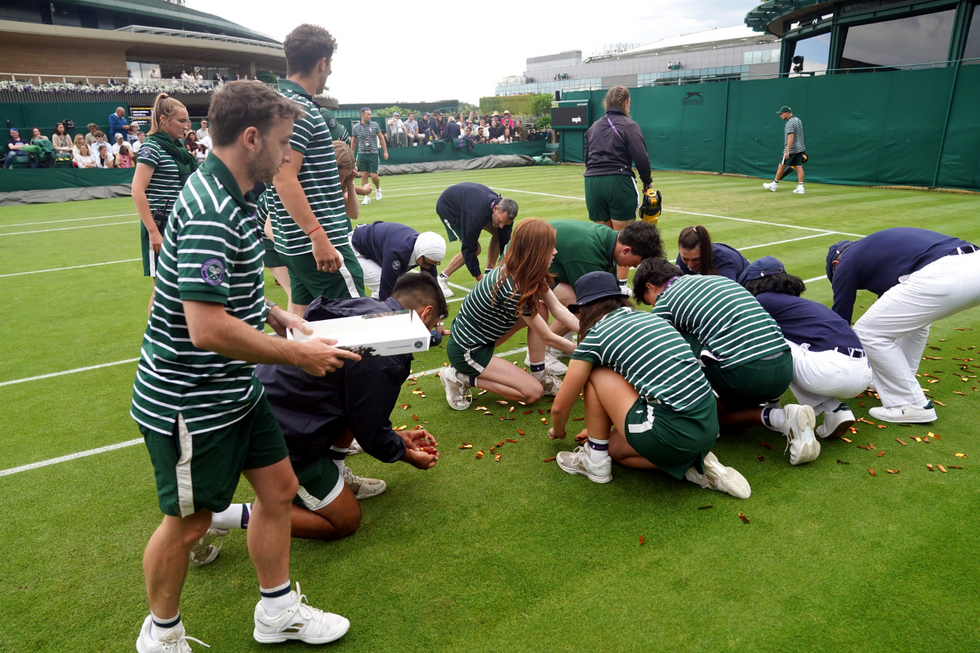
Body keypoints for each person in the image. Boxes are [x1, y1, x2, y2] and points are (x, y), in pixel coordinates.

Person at [131, 80, 358, 652]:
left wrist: (278, 314)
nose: (288, 158)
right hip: (189, 397)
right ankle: (161, 635)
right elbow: (206, 327)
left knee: (279, 489)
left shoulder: (241, 193)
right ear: (251, 138)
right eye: (283, 144)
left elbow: (231, 290)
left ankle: (277, 612)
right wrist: (296, 353)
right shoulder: (210, 206)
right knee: (188, 525)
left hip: (234, 388)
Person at [198, 273, 445, 548]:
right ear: (426, 313)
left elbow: (358, 407)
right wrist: (404, 454)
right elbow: (369, 427)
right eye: (434, 325)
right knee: (345, 521)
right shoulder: (389, 348)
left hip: (265, 398)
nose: (433, 333)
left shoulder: (365, 307)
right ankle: (217, 516)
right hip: (277, 432)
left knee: (348, 398)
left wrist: (398, 438)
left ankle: (335, 472)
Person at [547, 271, 751, 497]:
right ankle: (692, 464)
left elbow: (559, 407)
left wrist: (558, 430)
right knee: (614, 448)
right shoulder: (652, 317)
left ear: (584, 309)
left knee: (595, 373)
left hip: (669, 431)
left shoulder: (597, 336)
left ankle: (595, 463)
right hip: (708, 427)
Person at [633, 258, 820, 465]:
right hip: (784, 367)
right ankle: (774, 403)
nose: (653, 305)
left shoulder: (666, 301)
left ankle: (781, 419)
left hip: (746, 375)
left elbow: (656, 348)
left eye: (649, 299)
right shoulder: (719, 281)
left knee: (708, 416)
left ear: (651, 286)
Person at [826, 228, 980, 423]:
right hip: (973, 262)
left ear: (835, 264)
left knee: (867, 333)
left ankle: (911, 404)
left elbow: (841, 320)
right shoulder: (878, 252)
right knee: (915, 324)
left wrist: (835, 362)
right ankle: (900, 380)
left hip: (946, 272)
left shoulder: (846, 263)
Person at [441, 219, 580, 408]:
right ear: (536, 251)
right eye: (550, 248)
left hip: (483, 337)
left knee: (541, 307)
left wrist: (590, 330)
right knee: (532, 393)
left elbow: (558, 309)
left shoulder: (527, 271)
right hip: (468, 350)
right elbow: (547, 337)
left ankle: (540, 374)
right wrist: (585, 351)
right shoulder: (513, 288)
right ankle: (459, 376)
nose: (555, 252)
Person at [739, 256, 871, 439]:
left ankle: (773, 407)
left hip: (830, 369)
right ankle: (835, 409)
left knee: (768, 342)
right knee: (796, 350)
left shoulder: (763, 300)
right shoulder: (799, 304)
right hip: (863, 371)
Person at [584, 86, 653, 294]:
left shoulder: (593, 127)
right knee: (624, 237)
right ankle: (621, 287)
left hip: (592, 182)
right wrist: (647, 182)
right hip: (619, 180)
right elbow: (641, 157)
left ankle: (603, 285)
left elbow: (586, 158)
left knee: (601, 237)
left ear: (607, 103)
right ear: (626, 102)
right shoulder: (629, 125)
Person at [132, 93, 197, 299]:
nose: (186, 126)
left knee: (184, 287)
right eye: (181, 120)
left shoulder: (177, 148)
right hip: (160, 223)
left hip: (181, 223)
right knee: (163, 290)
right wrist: (153, 231)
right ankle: (157, 331)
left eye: (187, 120)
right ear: (163, 120)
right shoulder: (151, 147)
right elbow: (137, 190)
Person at [434, 182, 518, 297]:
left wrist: (508, 269)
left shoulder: (505, 215)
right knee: (475, 250)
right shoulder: (476, 215)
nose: (502, 225)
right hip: (450, 208)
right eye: (500, 221)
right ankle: (441, 279)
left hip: (469, 203)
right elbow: (468, 248)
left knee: (499, 233)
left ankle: (489, 273)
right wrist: (481, 281)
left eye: (505, 223)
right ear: (495, 209)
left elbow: (505, 244)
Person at [350, 221, 447, 300]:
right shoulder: (397, 253)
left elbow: (432, 286)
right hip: (355, 250)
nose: (427, 267)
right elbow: (386, 290)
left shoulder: (428, 253)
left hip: (374, 248)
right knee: (387, 286)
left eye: (432, 265)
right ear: (420, 252)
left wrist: (440, 316)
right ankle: (375, 316)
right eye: (425, 263)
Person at [675, 225, 750, 282]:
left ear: (706, 252)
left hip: (747, 284)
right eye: (685, 259)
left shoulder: (724, 262)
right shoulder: (684, 257)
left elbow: (728, 295)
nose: (690, 265)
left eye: (696, 259)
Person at [763, 106, 805, 194]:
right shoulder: (798, 120)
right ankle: (801, 187)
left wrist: (787, 151)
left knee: (781, 166)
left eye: (782, 114)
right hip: (800, 148)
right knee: (798, 166)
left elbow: (791, 136)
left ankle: (774, 184)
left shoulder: (789, 123)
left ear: (787, 113)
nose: (780, 116)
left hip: (792, 149)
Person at [350, 107, 387, 204]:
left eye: (370, 114)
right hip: (362, 154)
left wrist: (385, 151)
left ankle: (378, 189)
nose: (370, 116)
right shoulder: (356, 127)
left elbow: (381, 138)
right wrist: (351, 154)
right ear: (362, 115)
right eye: (368, 114)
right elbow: (354, 141)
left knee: (374, 176)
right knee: (363, 175)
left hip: (373, 153)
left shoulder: (375, 125)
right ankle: (366, 197)